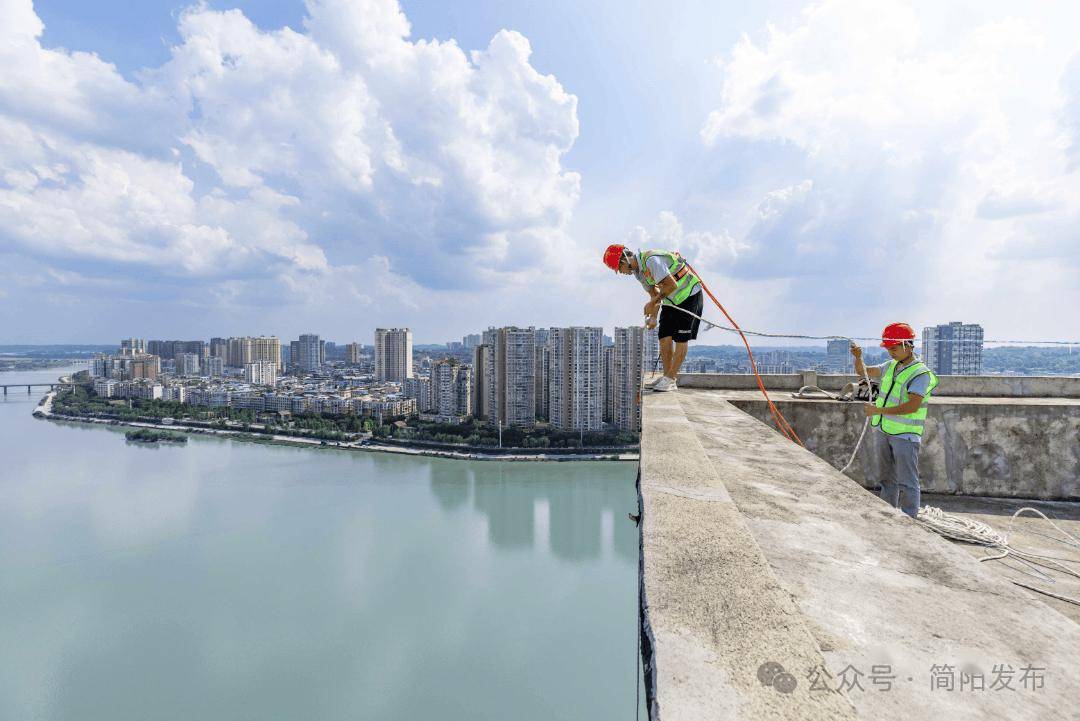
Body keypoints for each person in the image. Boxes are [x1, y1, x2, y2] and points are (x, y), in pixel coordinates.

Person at [850, 322, 939, 518]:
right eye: (889, 348)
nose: (891, 352)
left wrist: (878, 410)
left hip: (905, 435)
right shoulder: (890, 366)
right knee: (886, 478)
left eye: (895, 347)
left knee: (907, 481)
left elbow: (912, 406)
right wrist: (858, 358)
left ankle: (909, 519)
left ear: (908, 345)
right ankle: (887, 515)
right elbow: (863, 372)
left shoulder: (920, 373)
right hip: (885, 430)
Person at [602, 244, 702, 392]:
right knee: (664, 336)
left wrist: (652, 303)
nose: (621, 273)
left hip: (689, 294)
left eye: (619, 269)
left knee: (681, 338)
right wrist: (653, 317)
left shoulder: (651, 261)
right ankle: (667, 377)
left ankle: (671, 378)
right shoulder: (639, 274)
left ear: (624, 261)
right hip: (670, 299)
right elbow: (654, 294)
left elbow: (671, 285)